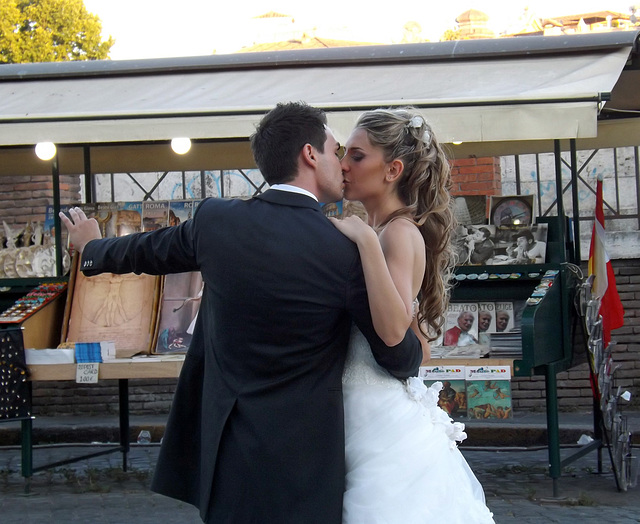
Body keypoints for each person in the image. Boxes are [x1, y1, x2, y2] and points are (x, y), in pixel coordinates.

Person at [59, 102, 422, 524]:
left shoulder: (216, 221)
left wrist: (91, 248)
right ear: (309, 155)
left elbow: (145, 250)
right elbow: (398, 356)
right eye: (334, 150)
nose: (341, 164)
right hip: (304, 471)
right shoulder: (343, 250)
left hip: (224, 457)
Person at [331, 107, 494, 523]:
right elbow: (418, 341)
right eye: (342, 154)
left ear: (393, 169)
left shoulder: (397, 233)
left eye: (356, 156)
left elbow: (391, 330)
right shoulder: (383, 229)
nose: (343, 165)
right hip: (358, 407)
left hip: (376, 417)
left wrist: (367, 242)